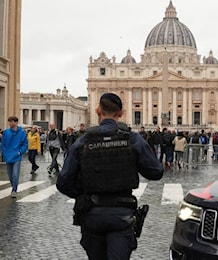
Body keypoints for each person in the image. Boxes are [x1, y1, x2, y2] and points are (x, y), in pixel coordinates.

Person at [56, 93, 163, 260]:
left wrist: (84, 193)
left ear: (98, 110)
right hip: (122, 214)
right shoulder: (132, 139)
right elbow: (156, 172)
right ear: (121, 113)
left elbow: (63, 182)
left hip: (92, 214)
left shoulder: (83, 141)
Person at [0, 116, 28, 198]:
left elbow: (25, 144)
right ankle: (13, 186)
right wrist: (4, 153)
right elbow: (3, 144)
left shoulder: (22, 133)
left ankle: (14, 190)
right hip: (8, 156)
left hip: (17, 156)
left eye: (11, 121)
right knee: (10, 175)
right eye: (9, 121)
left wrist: (20, 152)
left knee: (15, 174)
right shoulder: (6, 132)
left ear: (16, 122)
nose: (10, 123)